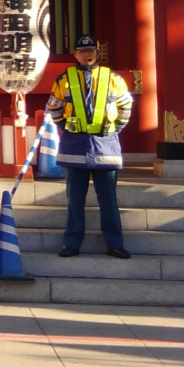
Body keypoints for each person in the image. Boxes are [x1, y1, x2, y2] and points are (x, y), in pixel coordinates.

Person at [47, 33, 133, 259]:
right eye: (82, 51)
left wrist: (115, 128)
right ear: (75, 54)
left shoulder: (113, 78)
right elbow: (54, 108)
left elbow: (125, 107)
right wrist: (67, 127)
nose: (87, 55)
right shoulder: (63, 79)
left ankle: (115, 243)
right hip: (74, 146)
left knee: (109, 200)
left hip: (105, 146)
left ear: (98, 53)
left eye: (91, 50)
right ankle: (72, 243)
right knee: (75, 199)